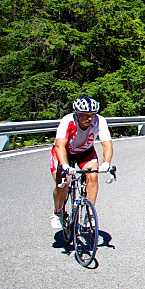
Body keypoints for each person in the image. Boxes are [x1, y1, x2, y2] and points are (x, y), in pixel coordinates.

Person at [49, 97, 114, 229]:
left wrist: (106, 163)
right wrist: (65, 166)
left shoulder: (100, 121)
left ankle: (90, 213)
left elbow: (107, 144)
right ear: (77, 114)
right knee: (64, 182)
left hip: (85, 152)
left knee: (93, 176)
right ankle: (58, 212)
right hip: (64, 152)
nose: (89, 118)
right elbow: (59, 146)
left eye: (92, 115)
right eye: (85, 115)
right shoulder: (67, 121)